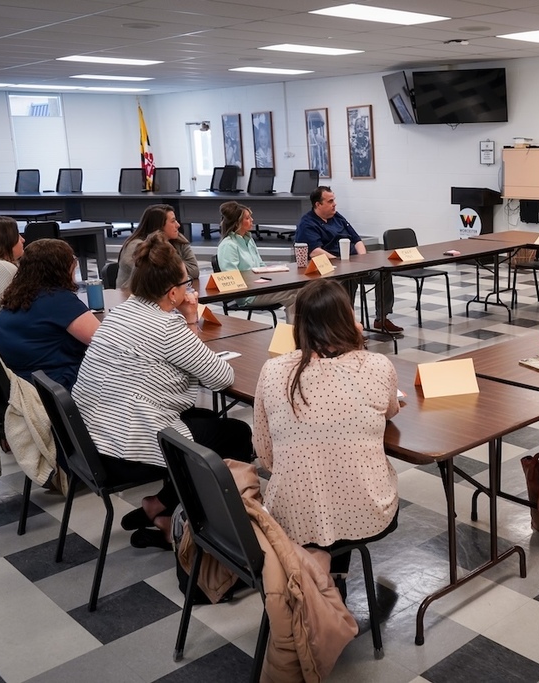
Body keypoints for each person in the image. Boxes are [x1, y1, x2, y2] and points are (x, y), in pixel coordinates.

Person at [72, 232, 254, 550]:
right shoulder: (167, 326)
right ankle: (202, 529)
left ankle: (162, 507)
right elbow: (221, 376)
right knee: (235, 434)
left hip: (91, 440)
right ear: (172, 293)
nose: (189, 289)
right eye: (186, 284)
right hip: (124, 449)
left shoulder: (120, 312)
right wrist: (188, 319)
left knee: (200, 419)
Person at [253, 279, 399, 581]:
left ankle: (323, 576)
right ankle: (331, 578)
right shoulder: (377, 365)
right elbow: (391, 411)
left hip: (292, 512)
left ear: (298, 324)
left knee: (320, 489)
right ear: (347, 319)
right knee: (343, 486)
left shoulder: (273, 370)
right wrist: (357, 344)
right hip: (367, 510)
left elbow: (265, 456)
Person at [0, 239, 100, 390]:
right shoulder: (59, 301)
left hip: (19, 385)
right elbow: (104, 341)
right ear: (63, 268)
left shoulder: (15, 299)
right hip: (54, 388)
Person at [295, 186, 401, 333]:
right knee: (347, 279)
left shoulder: (337, 217)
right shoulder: (307, 223)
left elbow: (357, 240)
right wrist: (342, 263)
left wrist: (363, 258)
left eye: (334, 200)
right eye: (330, 201)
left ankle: (381, 318)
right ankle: (347, 327)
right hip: (331, 268)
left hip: (355, 263)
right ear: (318, 204)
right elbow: (314, 251)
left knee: (383, 273)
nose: (334, 204)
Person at [215, 201, 297, 321]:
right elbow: (231, 277)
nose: (252, 220)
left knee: (300, 291)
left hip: (261, 287)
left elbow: (260, 266)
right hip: (247, 294)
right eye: (247, 218)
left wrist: (274, 272)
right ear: (237, 223)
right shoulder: (228, 245)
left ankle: (298, 330)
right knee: (294, 295)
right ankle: (295, 332)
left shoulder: (249, 239)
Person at [116, 204, 199, 295]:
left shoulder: (178, 239)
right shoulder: (136, 247)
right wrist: (181, 271)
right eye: (173, 221)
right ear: (159, 226)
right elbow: (156, 277)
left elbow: (194, 270)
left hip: (165, 295)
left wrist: (171, 268)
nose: (178, 225)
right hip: (135, 298)